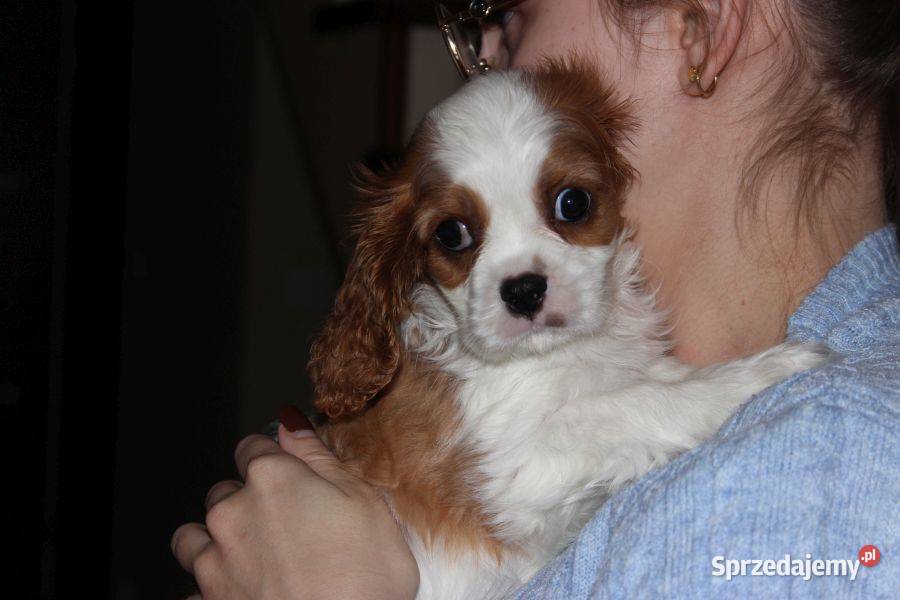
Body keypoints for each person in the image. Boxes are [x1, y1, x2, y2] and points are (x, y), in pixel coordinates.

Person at [171, 0, 899, 597]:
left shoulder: (826, 472)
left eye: (512, 13)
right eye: (457, 235)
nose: (486, 52)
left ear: (699, 26)